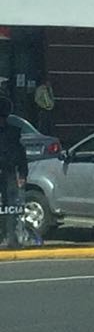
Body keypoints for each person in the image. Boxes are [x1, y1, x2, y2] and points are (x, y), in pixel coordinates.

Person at [0, 98, 27, 249]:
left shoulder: (13, 133)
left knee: (11, 207)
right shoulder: (13, 133)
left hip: (9, 173)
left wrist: (22, 174)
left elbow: (20, 155)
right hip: (8, 173)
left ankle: (11, 237)